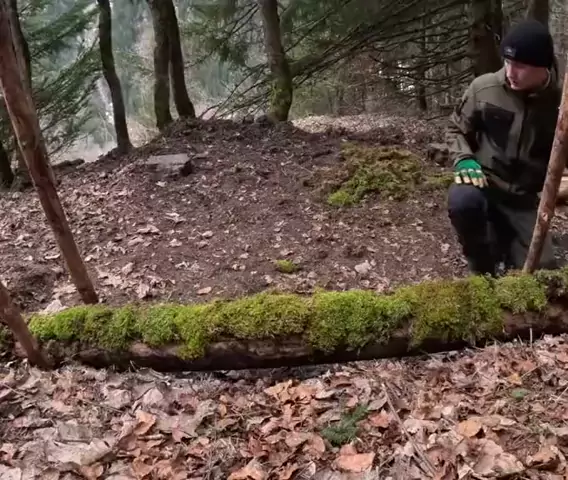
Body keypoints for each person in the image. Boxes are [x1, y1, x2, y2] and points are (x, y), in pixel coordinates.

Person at [446, 19, 562, 276]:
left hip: (524, 200)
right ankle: (482, 268)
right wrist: (464, 158)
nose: (510, 72)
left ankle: (507, 244)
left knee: (543, 275)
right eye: (507, 62)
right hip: (485, 184)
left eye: (520, 66)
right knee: (462, 200)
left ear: (542, 67)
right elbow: (455, 128)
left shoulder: (560, 104)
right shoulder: (484, 88)